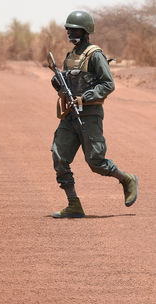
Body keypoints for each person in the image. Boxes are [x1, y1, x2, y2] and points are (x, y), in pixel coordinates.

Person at [50, 10, 138, 218]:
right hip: (70, 115)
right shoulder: (71, 56)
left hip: (89, 116)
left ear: (86, 31)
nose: (71, 33)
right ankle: (74, 204)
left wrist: (86, 97)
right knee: (59, 156)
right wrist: (57, 83)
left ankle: (127, 179)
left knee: (96, 162)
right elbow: (67, 84)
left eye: (75, 29)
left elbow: (108, 84)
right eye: (69, 29)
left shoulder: (95, 55)